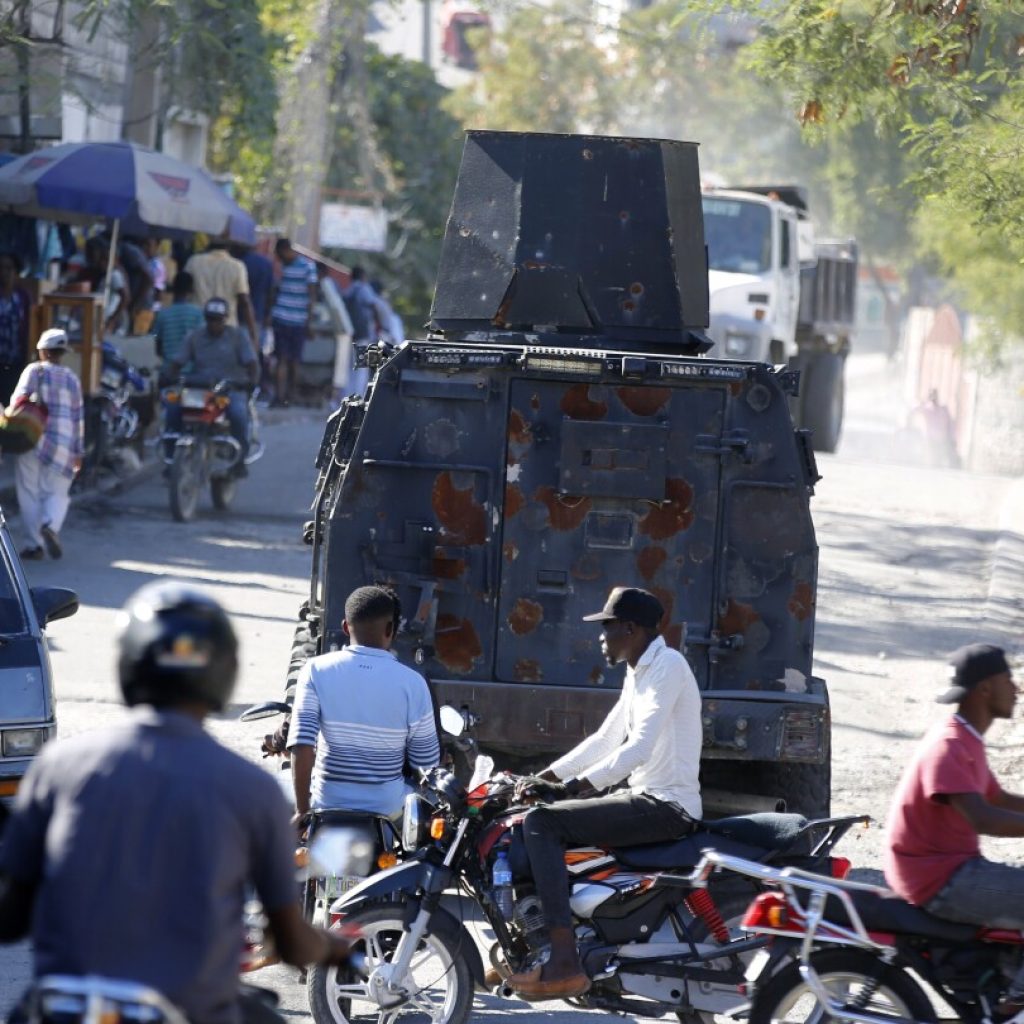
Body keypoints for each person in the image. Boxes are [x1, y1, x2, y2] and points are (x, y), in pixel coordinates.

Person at [0, 581, 354, 1024]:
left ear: (129, 666)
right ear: (222, 673)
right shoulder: (252, 789)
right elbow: (289, 940)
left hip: (67, 1008)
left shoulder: (59, 768)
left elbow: (10, 918)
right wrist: (334, 947)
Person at [507, 586, 702, 1000]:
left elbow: (637, 747)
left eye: (606, 628)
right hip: (648, 796)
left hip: (666, 804)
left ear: (630, 629)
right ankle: (537, 946)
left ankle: (563, 960)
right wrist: (537, 777)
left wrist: (565, 790)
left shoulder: (668, 666)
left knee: (542, 823)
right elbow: (606, 737)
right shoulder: (640, 670)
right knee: (533, 815)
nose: (600, 638)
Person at [885, 644, 1024, 930]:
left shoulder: (965, 737)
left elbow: (997, 799)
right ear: (985, 689)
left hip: (951, 871)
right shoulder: (949, 744)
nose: (1016, 689)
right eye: (1008, 680)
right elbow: (983, 818)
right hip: (938, 879)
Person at [287, 585, 440, 819]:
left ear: (345, 627)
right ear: (391, 629)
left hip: (326, 802)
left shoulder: (316, 670)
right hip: (389, 808)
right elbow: (425, 763)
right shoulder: (413, 683)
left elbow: (302, 743)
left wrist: (302, 810)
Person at [163, 297, 258, 476]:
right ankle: (170, 459)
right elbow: (177, 362)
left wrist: (250, 381)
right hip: (199, 389)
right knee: (173, 408)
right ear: (206, 318)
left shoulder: (238, 336)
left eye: (218, 319)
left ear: (225, 318)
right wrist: (169, 375)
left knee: (238, 414)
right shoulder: (195, 336)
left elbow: (251, 363)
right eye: (210, 319)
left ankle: (240, 461)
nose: (214, 324)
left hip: (229, 389)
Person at [12, 329, 84, 561]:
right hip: (63, 444)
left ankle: (34, 545)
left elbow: (17, 402)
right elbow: (78, 417)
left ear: (42, 350)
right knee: (58, 492)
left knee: (28, 492)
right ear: (62, 353)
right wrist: (78, 451)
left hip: (32, 438)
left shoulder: (34, 371)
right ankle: (51, 525)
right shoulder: (72, 379)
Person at [185, 240, 260, 354]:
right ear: (229, 247)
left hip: (198, 327)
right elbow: (244, 301)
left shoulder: (193, 262)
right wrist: (253, 336)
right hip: (227, 329)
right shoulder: (237, 266)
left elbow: (185, 291)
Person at [269, 238, 318, 407]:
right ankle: (285, 397)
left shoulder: (304, 266)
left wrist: (309, 323)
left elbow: (312, 297)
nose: (278, 258)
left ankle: (282, 397)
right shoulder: (305, 267)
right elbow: (311, 297)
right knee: (289, 361)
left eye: (278, 254)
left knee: (286, 361)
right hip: (290, 320)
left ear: (285, 250)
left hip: (286, 319)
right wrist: (309, 322)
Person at [316, 263, 354, 401]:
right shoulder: (330, 283)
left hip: (342, 329)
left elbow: (334, 308)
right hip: (342, 328)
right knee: (339, 367)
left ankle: (336, 399)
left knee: (340, 369)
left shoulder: (325, 284)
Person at [153, 271, 204, 371]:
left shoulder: (163, 314)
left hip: (168, 371)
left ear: (173, 289)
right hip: (192, 373)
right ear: (191, 291)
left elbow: (157, 345)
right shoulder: (198, 314)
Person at [0, 251, 31, 403]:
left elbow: (27, 329)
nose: (4, 272)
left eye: (8, 268)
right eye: (1, 268)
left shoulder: (22, 297)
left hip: (14, 363)